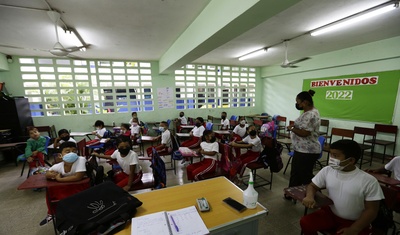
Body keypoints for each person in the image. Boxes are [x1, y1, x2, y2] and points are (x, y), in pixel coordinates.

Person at [300, 140, 384, 235]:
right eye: (331, 154)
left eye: (335, 156)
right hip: (330, 214)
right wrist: (309, 196)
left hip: (355, 221)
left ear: (351, 160)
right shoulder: (327, 170)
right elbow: (312, 186)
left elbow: (372, 210)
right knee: (305, 222)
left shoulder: (368, 181)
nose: (331, 158)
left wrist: (354, 229)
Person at [40, 142, 88, 226]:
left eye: (74, 151)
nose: (72, 153)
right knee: (50, 189)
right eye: (67, 151)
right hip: (67, 185)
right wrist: (50, 175)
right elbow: (47, 173)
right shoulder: (59, 165)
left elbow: (77, 177)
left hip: (80, 186)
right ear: (60, 155)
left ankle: (71, 212)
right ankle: (52, 213)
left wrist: (59, 179)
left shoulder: (81, 159)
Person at [285, 90, 321, 198]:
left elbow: (305, 133)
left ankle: (317, 196)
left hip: (307, 151)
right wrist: (295, 126)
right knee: (296, 174)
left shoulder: (310, 115)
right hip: (301, 149)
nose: (297, 104)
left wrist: (292, 128)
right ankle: (291, 193)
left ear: (305, 102)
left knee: (305, 176)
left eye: (298, 102)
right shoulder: (308, 112)